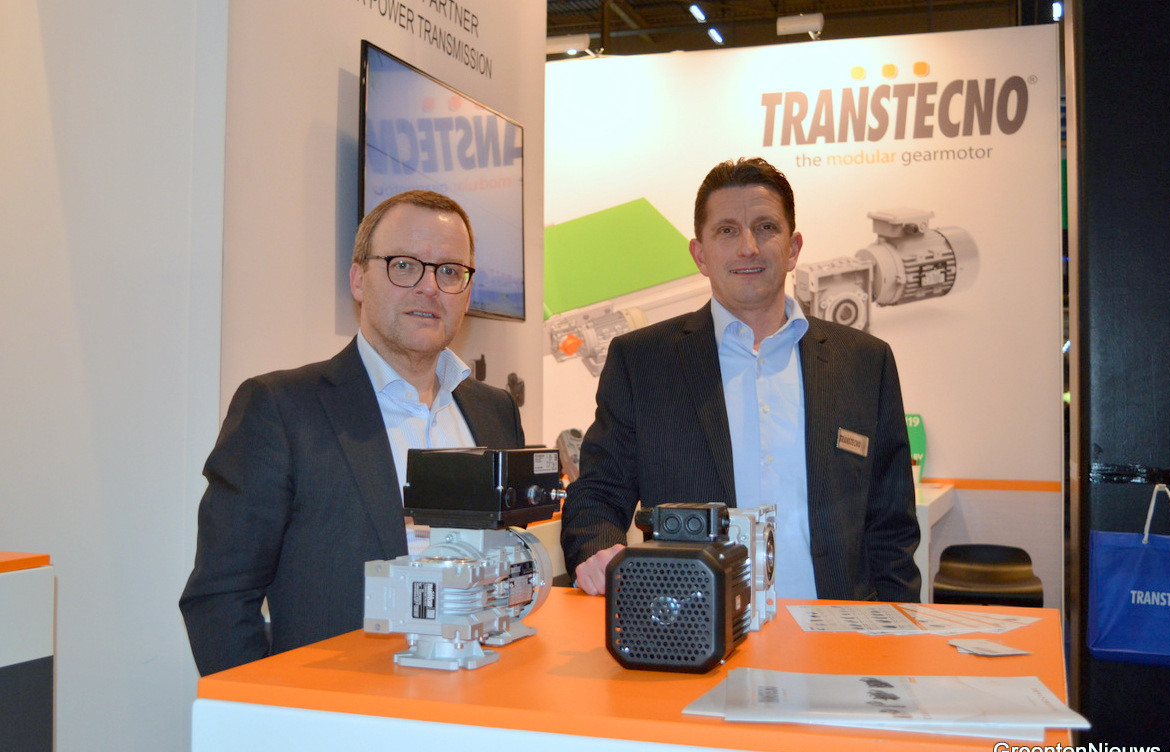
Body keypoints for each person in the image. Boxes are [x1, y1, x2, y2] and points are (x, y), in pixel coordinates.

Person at [180, 190, 525, 675]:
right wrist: (268, 709)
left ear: (467, 292)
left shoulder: (495, 411)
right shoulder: (281, 409)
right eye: (404, 265)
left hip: (486, 696)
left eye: (450, 271)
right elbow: (220, 597)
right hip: (343, 710)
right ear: (359, 279)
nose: (429, 287)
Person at [560, 157, 919, 602]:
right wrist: (596, 552)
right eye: (727, 231)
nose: (748, 247)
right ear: (700, 255)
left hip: (835, 630)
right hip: (692, 631)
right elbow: (598, 494)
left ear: (793, 248)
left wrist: (897, 630)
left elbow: (893, 529)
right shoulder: (642, 362)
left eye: (765, 227)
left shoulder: (864, 362)